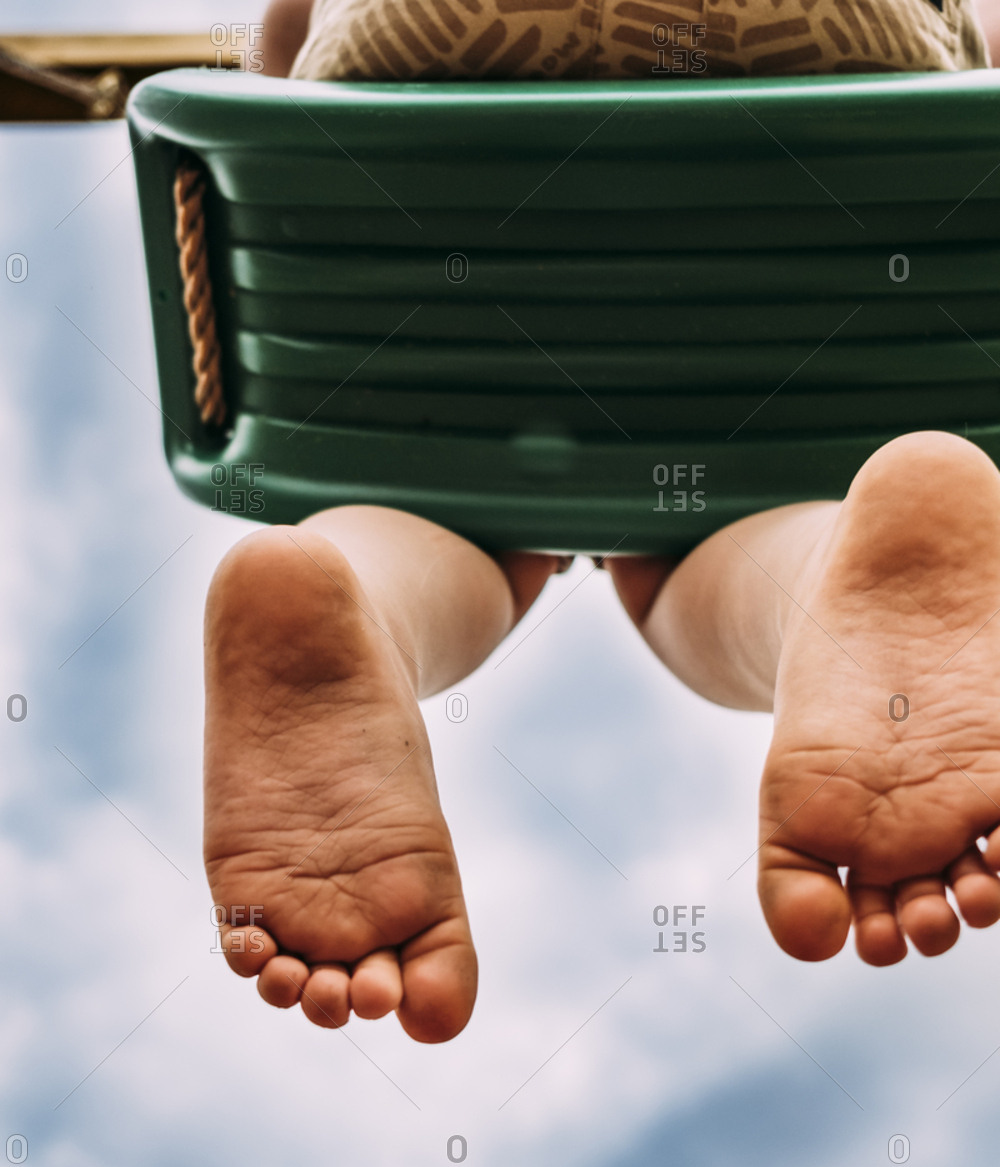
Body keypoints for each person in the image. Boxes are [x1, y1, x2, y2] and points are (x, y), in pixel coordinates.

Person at [204, 0, 1000, 1042]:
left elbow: (282, 32)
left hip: (430, 79)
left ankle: (352, 576)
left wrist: (300, 82)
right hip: (825, 72)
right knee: (696, 534)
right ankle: (826, 572)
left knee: (463, 508)